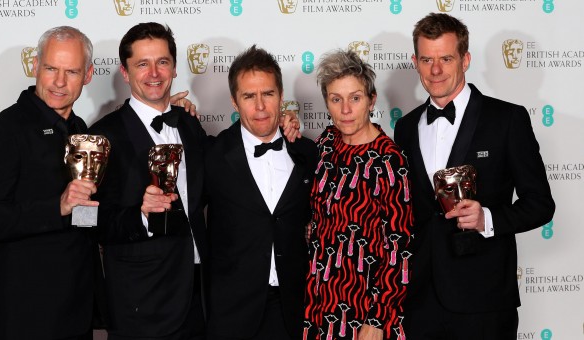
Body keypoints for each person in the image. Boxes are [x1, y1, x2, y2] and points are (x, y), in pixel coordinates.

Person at [394, 13, 555, 339]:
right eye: (426, 59)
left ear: (465, 59)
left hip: (485, 300)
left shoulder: (507, 119)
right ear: (415, 62)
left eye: (446, 58)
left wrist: (487, 218)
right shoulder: (406, 127)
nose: (435, 70)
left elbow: (540, 204)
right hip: (420, 299)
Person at [0, 26, 101, 340]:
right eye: (51, 68)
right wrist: (58, 206)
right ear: (34, 65)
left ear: (88, 74)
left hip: (76, 311)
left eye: (71, 71)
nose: (59, 81)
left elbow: (83, 218)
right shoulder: (2, 131)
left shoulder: (80, 128)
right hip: (23, 314)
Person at [89, 22, 209, 340]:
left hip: (202, 299)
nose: (154, 73)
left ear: (173, 67)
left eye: (162, 62)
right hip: (143, 302)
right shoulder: (102, 136)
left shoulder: (190, 126)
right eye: (142, 63)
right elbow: (82, 218)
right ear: (125, 73)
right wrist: (140, 215)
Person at [203, 45, 317, 340]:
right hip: (232, 314)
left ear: (281, 96)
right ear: (234, 101)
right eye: (249, 96)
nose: (261, 106)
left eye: (268, 94)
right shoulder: (213, 154)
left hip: (295, 310)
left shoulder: (307, 152)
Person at [304, 50, 413, 340]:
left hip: (366, 307)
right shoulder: (326, 142)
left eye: (355, 98)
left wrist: (378, 320)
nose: (346, 109)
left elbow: (399, 245)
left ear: (371, 100)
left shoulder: (389, 160)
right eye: (335, 99)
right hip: (319, 301)